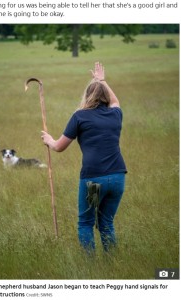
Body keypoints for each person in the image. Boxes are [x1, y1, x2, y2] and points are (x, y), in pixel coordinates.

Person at [41, 62, 127, 252]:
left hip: (94, 180)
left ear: (87, 96)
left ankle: (90, 265)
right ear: (105, 96)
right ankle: (113, 262)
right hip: (118, 177)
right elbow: (115, 101)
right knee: (106, 223)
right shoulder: (115, 114)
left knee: (86, 223)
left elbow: (59, 147)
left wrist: (49, 140)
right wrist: (102, 81)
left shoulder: (80, 116)